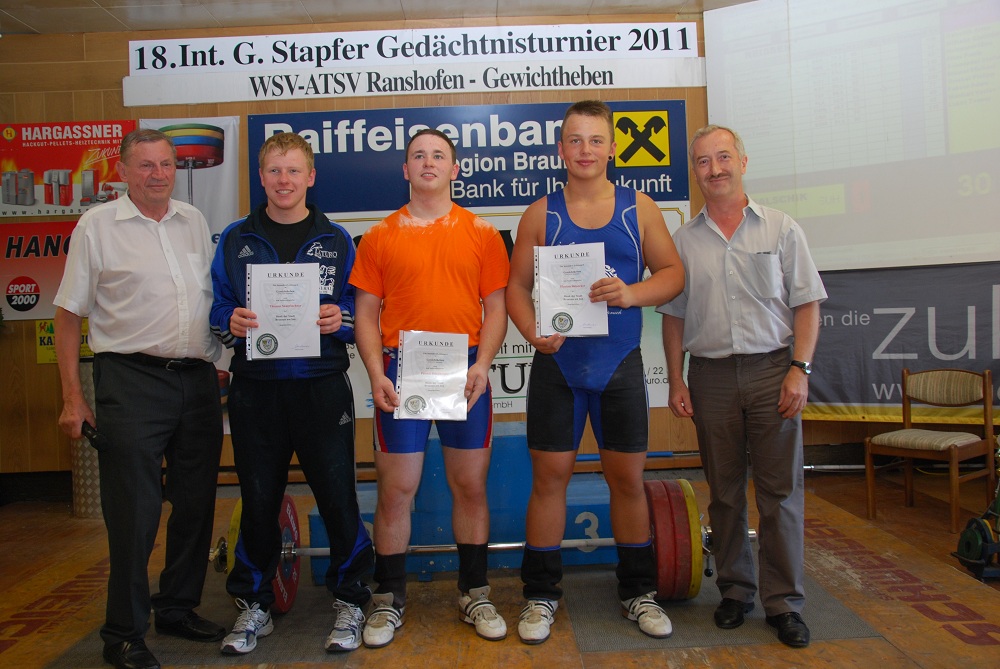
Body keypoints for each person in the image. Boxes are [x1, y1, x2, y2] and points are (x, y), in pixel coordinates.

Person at [505, 100, 685, 645]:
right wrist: (532, 331)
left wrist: (631, 293)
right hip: (558, 365)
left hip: (619, 364)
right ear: (561, 149)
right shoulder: (540, 214)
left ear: (611, 148)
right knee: (549, 481)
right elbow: (516, 287)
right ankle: (540, 595)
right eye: (575, 140)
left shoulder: (639, 208)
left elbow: (673, 274)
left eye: (595, 140)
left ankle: (638, 592)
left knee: (627, 481)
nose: (585, 150)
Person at [54, 128, 226, 669]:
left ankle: (176, 606)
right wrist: (73, 397)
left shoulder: (192, 221)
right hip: (130, 380)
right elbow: (67, 315)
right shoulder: (97, 226)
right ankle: (124, 634)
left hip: (196, 381)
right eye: (146, 165)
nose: (158, 174)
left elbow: (205, 301)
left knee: (196, 502)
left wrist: (218, 359)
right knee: (134, 510)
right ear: (123, 171)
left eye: (166, 164)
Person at [658, 125, 826, 649]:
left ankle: (784, 603)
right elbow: (674, 317)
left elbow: (807, 305)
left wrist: (799, 369)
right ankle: (735, 591)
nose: (715, 169)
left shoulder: (781, 228)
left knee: (780, 494)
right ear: (695, 171)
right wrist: (675, 378)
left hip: (774, 370)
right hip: (710, 377)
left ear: (743, 162)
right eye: (703, 161)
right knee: (725, 492)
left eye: (724, 157)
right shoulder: (684, 241)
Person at [209, 132, 374, 654]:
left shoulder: (337, 239)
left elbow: (360, 308)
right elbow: (217, 307)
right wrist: (230, 321)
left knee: (337, 495)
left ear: (311, 177)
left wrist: (339, 318)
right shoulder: (235, 238)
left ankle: (350, 599)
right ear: (261, 177)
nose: (284, 181)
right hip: (256, 390)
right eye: (275, 171)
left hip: (321, 386)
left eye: (294, 170)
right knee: (258, 498)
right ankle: (254, 604)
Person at [349, 128, 510, 648]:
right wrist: (375, 373)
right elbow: (366, 314)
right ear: (405, 169)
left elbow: (497, 308)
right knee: (397, 489)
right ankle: (388, 598)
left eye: (438, 155)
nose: (428, 162)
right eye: (418, 155)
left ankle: (474, 592)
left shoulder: (482, 233)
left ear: (454, 169)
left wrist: (483, 363)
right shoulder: (379, 236)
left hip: (465, 371)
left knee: (470, 486)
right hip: (402, 370)